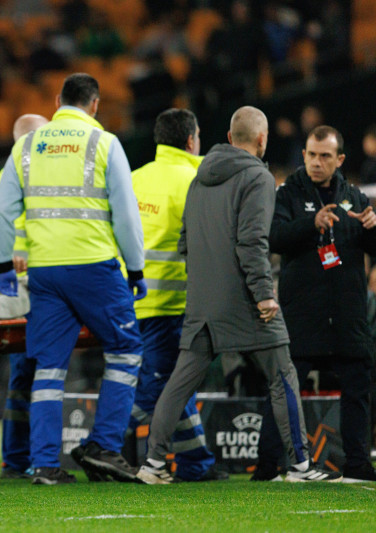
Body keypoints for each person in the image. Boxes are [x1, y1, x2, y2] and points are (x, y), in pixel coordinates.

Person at [136, 106, 341, 484]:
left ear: (230, 138)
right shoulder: (258, 177)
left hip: (202, 302)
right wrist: (263, 294)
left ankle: (152, 464)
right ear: (262, 139)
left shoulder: (199, 178)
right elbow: (252, 242)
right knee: (283, 375)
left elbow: (185, 242)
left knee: (179, 383)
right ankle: (300, 466)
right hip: (247, 299)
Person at [0, 73, 147, 485]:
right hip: (94, 267)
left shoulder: (26, 145)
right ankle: (103, 446)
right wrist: (135, 268)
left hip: (44, 272)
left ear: (58, 100)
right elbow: (126, 214)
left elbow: (2, 211)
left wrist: (4, 268)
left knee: (49, 367)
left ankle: (44, 464)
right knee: (126, 350)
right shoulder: (104, 143)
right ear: (95, 104)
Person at [253, 126, 376, 483]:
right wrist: (312, 222)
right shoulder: (287, 194)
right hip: (303, 315)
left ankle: (357, 464)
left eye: (325, 156)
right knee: (284, 389)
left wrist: (372, 227)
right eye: (311, 154)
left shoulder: (355, 197)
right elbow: (274, 237)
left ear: (340, 160)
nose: (316, 162)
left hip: (347, 315)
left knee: (358, 388)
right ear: (304, 154)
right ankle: (267, 465)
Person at [129, 108, 225, 482]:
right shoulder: (195, 181)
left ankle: (196, 462)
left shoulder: (134, 178)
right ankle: (101, 440)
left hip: (132, 301)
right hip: (173, 305)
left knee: (175, 383)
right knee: (161, 387)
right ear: (190, 140)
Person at [0, 114, 48, 480]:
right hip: (17, 289)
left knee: (26, 374)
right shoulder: (26, 180)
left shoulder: (0, 181)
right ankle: (23, 457)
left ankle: (18, 457)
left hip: (3, 286)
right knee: (29, 372)